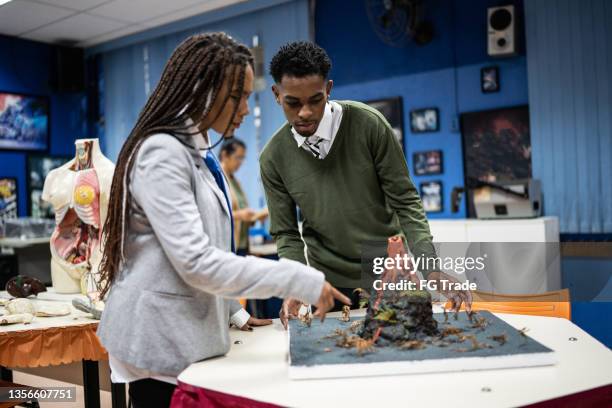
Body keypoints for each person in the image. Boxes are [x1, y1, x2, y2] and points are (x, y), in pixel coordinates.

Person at [96, 33, 350, 408]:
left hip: (186, 337)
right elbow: (196, 262)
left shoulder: (195, 150)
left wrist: (233, 311)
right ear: (204, 90)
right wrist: (300, 279)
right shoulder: (163, 152)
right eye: (239, 96)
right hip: (158, 347)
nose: (246, 109)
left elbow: (195, 250)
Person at [260, 41, 472, 327]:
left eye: (315, 100)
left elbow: (406, 201)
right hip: (329, 282)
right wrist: (298, 283)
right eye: (293, 103)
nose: (305, 113)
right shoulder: (273, 157)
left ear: (329, 90)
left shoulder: (368, 125)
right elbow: (286, 233)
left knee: (412, 350)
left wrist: (431, 269)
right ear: (276, 95)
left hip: (388, 269)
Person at [218, 138, 269, 255]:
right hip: (229, 246)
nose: (240, 162)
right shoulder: (218, 179)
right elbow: (216, 214)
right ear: (225, 155)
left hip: (242, 244)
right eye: (238, 157)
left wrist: (255, 217)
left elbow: (241, 213)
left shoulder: (235, 181)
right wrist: (241, 215)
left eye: (243, 158)